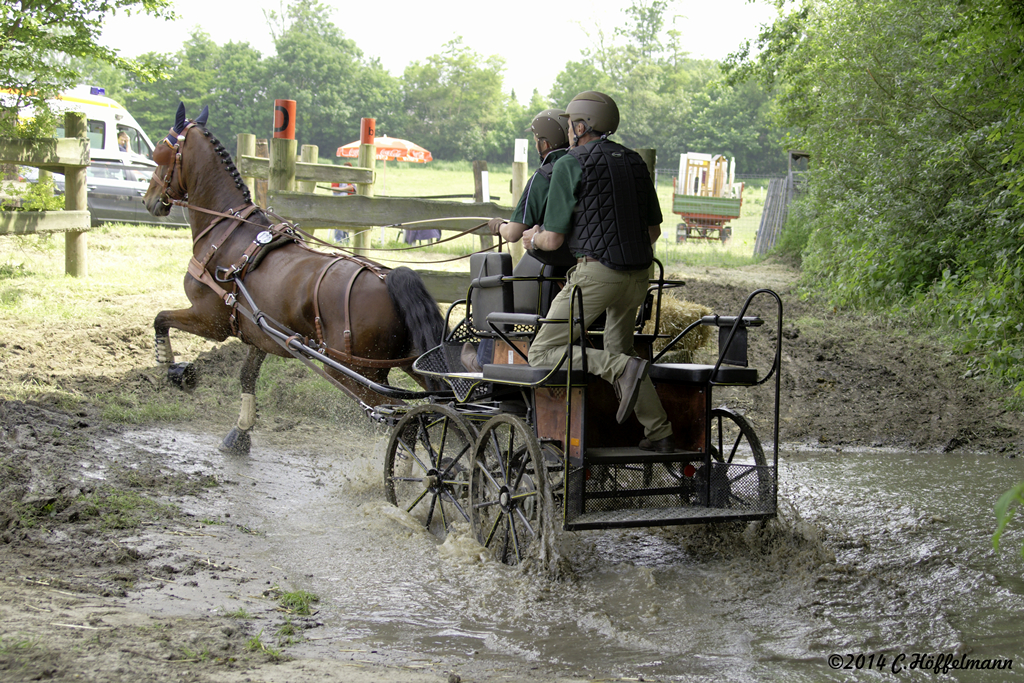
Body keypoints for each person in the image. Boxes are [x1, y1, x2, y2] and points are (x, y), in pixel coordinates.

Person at [522, 91, 675, 452]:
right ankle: (660, 432)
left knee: (541, 352)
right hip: (640, 278)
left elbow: (554, 238)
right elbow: (652, 232)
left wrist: (532, 238)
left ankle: (617, 369)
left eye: (571, 123)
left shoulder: (568, 163)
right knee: (619, 348)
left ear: (580, 126)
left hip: (596, 277)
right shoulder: (635, 161)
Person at [461, 109, 575, 373]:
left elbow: (514, 233)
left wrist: (499, 225)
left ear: (544, 143)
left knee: (493, 279)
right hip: (575, 263)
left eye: (537, 139)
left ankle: (484, 359)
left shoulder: (544, 175)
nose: (536, 144)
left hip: (547, 261)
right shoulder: (580, 168)